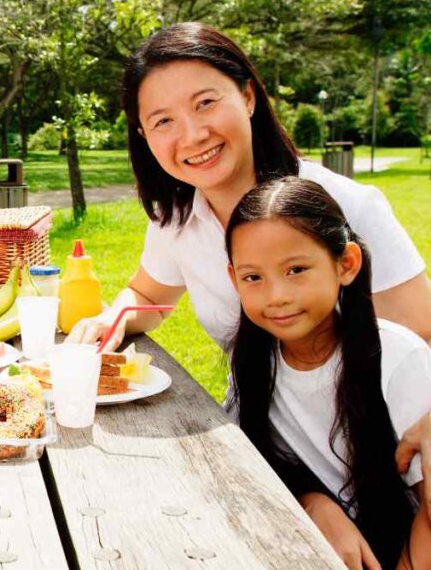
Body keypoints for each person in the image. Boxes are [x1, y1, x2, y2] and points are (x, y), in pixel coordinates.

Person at [66, 22, 430, 353]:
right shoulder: (178, 218)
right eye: (163, 121)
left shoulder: (347, 205)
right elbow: (147, 294)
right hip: (241, 423)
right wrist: (112, 317)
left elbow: (422, 337)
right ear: (144, 136)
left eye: (205, 103)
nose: (193, 136)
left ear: (248, 97)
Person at [224, 177, 431, 570]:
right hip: (325, 556)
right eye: (253, 278)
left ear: (346, 264)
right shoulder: (252, 361)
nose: (276, 295)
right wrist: (313, 503)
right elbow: (253, 467)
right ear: (233, 279)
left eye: (296, 270)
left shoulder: (396, 358)